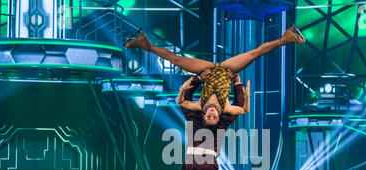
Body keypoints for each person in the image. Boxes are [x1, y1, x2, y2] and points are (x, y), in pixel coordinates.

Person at [124, 26, 304, 122]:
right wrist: (244, 93)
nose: (211, 113)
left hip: (206, 71)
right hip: (228, 69)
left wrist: (190, 84)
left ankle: (145, 45)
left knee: (176, 60)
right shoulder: (226, 108)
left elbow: (182, 102)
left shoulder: (200, 106)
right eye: (214, 117)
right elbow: (243, 110)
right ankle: (285, 38)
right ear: (218, 116)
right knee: (254, 53)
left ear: (204, 116)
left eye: (208, 116)